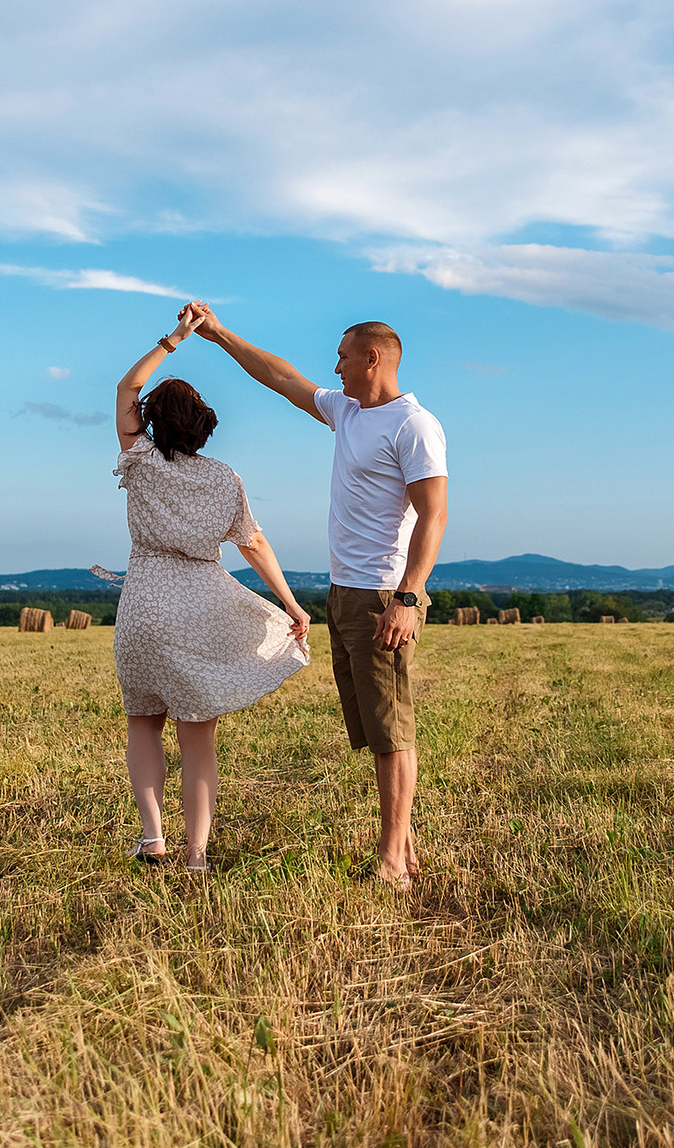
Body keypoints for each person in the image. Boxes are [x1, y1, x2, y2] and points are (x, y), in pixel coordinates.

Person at [183, 303, 446, 890]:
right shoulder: (348, 411)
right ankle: (402, 847)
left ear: (372, 359)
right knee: (375, 728)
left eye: (344, 356)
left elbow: (434, 515)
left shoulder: (415, 425)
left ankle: (394, 861)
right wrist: (218, 332)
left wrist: (408, 596)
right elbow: (279, 376)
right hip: (344, 591)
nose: (336, 366)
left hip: (383, 594)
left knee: (391, 730)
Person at [110, 311, 314, 872]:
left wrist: (173, 339)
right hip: (200, 605)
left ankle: (154, 839)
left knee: (143, 721)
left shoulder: (140, 460)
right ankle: (197, 855)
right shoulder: (225, 478)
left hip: (145, 603)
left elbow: (127, 387)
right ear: (203, 425)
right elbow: (254, 546)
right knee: (199, 738)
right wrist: (292, 606)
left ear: (151, 421)